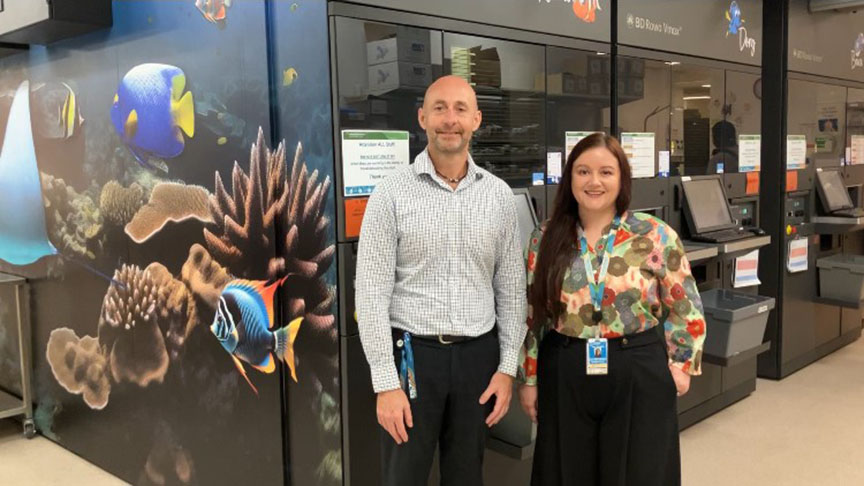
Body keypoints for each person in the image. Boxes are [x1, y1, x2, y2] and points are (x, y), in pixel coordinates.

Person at [355, 75, 527, 486]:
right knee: (404, 476)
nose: (450, 119)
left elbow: (512, 291)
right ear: (422, 118)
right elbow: (371, 294)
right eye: (439, 108)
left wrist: (506, 369)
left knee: (467, 475)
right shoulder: (390, 194)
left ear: (477, 120)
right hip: (414, 360)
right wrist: (385, 382)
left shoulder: (499, 196)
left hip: (478, 361)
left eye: (460, 109)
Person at [517, 133, 706, 486]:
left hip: (637, 367)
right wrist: (529, 378)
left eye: (606, 172)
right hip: (566, 366)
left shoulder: (654, 235)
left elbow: (685, 305)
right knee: (566, 471)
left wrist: (680, 365)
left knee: (640, 472)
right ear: (569, 178)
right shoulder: (545, 238)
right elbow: (533, 314)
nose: (594, 182)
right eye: (583, 171)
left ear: (621, 179)